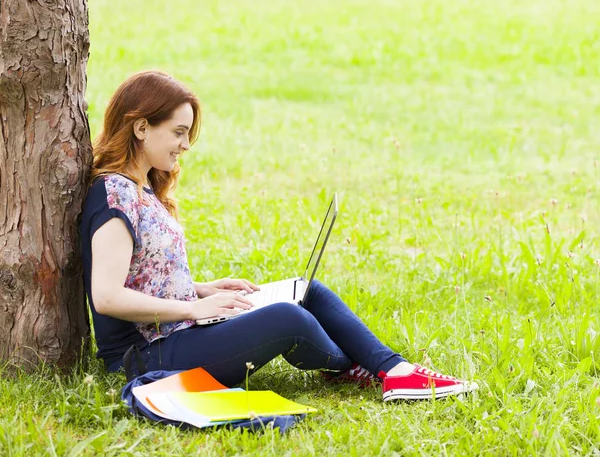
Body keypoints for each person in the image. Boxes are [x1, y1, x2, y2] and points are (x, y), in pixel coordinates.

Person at [81, 71, 478, 402]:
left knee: (306, 290)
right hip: (147, 356)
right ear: (140, 127)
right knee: (288, 317)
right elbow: (108, 296)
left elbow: (144, 273)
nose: (185, 145)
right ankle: (357, 365)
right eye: (179, 132)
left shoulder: (141, 187)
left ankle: (395, 370)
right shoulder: (113, 193)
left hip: (176, 335)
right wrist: (193, 309)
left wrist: (200, 289)